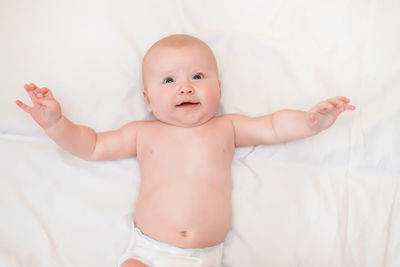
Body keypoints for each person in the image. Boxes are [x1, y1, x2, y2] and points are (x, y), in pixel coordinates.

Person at [16, 34, 356, 267]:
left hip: (203, 256)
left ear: (218, 88)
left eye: (197, 76)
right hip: (147, 252)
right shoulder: (143, 133)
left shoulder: (227, 127)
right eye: (168, 81)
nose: (185, 87)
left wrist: (312, 121)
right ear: (147, 100)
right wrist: (56, 123)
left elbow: (273, 126)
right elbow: (90, 145)